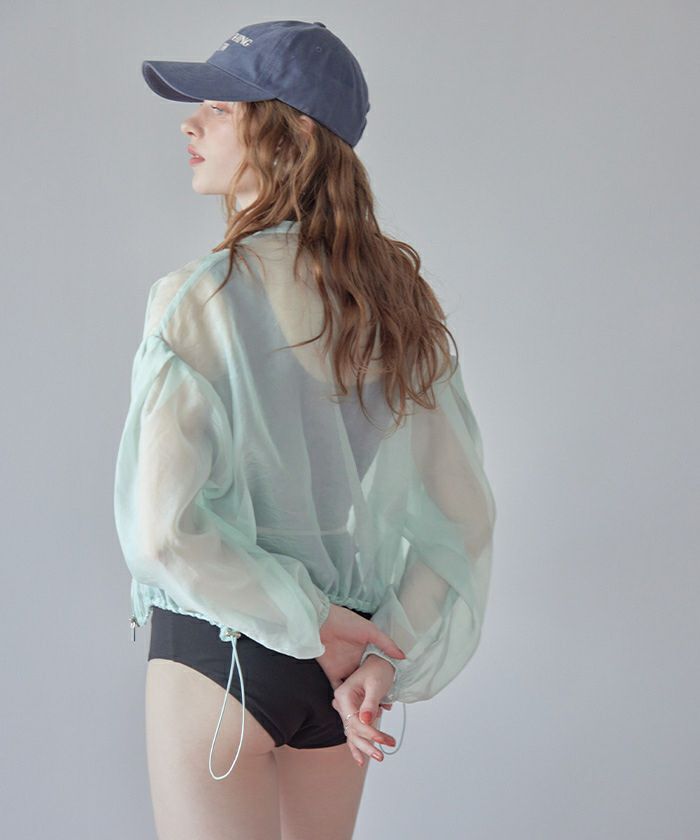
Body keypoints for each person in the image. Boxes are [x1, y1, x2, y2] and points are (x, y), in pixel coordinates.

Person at [113, 19, 497, 840]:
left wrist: (306, 623)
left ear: (292, 135)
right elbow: (463, 520)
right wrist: (378, 651)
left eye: (220, 108)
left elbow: (162, 533)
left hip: (221, 656)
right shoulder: (397, 311)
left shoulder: (197, 299)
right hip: (342, 671)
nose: (190, 124)